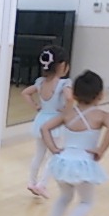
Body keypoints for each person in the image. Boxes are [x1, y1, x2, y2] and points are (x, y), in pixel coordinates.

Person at [41, 70, 109, 216]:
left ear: (74, 94)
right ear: (100, 95)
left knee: (65, 196)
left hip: (62, 162)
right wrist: (101, 150)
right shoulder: (102, 116)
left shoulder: (67, 114)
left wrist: (53, 149)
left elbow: (45, 128)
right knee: (86, 201)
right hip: (83, 164)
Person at [21, 46, 73, 199]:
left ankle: (31, 181)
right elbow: (70, 98)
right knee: (54, 155)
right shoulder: (64, 83)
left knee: (39, 154)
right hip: (54, 124)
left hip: (41, 121)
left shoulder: (40, 82)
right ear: (62, 66)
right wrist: (67, 111)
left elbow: (25, 93)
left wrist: (36, 106)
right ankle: (42, 184)